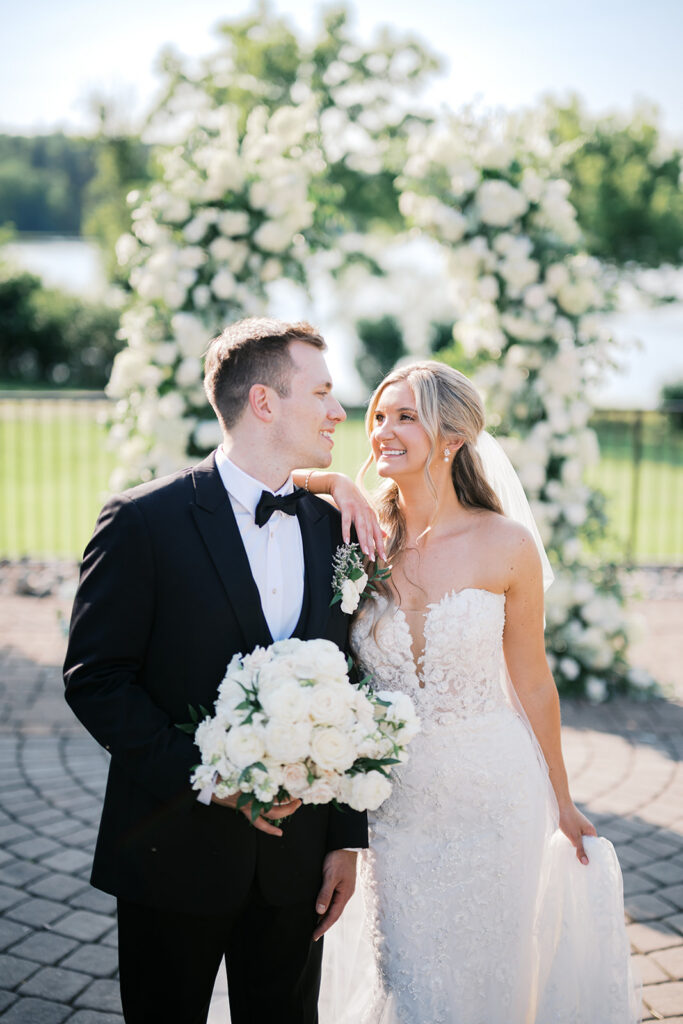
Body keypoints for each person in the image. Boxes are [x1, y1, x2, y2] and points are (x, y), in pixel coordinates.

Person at [304, 360, 640, 1023]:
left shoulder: (505, 544)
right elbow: (258, 482)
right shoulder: (359, 535)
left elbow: (533, 681)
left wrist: (562, 800)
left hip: (495, 798)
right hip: (394, 805)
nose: (381, 432)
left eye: (404, 416)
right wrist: (331, 480)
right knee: (408, 977)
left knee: (491, 979)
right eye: (378, 416)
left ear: (452, 438)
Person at [63, 317, 375, 1024]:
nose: (337, 411)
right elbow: (96, 678)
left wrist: (344, 838)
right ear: (263, 403)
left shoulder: (333, 528)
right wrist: (211, 779)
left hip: (296, 870)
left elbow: (348, 685)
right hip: (171, 854)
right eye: (322, 393)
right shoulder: (143, 521)